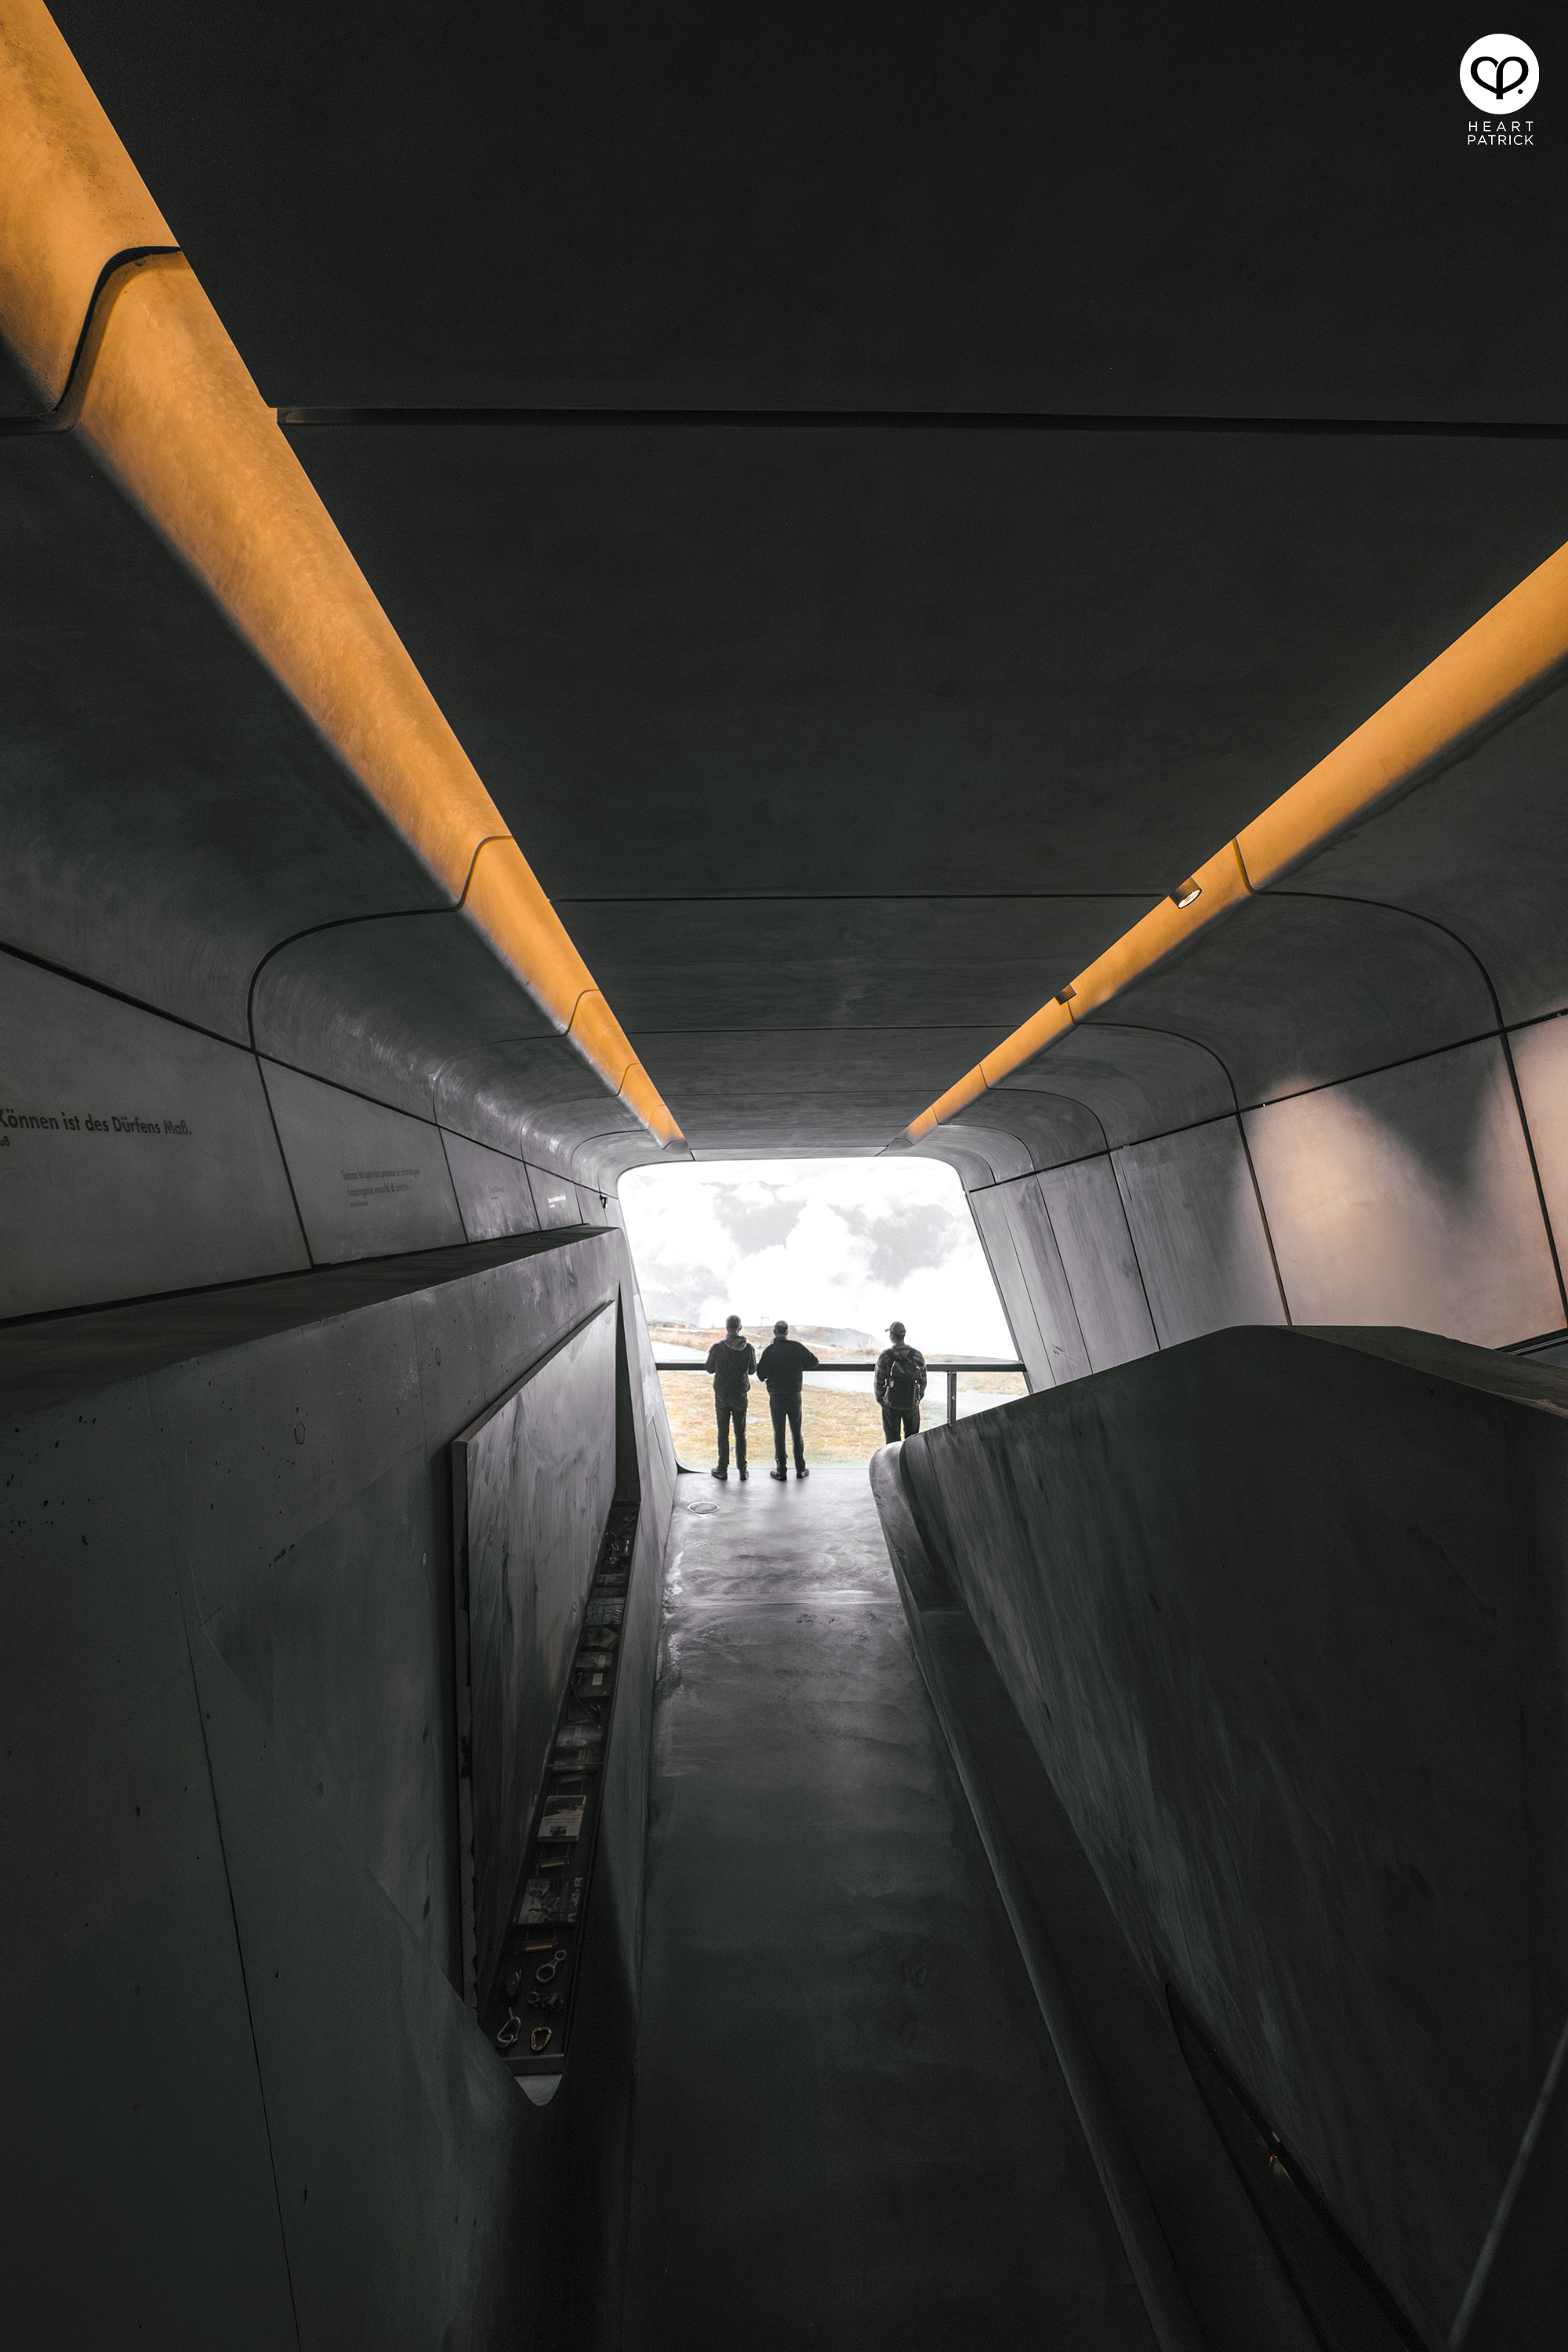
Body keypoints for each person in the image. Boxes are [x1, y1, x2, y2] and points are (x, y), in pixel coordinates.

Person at [753, 1319, 819, 1479]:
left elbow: (761, 1375)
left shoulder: (770, 1351)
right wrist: (798, 1366)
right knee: (796, 1432)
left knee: (779, 1432)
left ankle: (781, 1469)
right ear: (787, 1332)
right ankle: (800, 1468)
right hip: (794, 1395)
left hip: (776, 1396)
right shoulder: (797, 1348)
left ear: (774, 1332)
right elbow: (814, 1362)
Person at [703, 1314, 756, 1480]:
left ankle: (722, 1468)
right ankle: (742, 1470)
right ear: (739, 1328)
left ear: (727, 1328)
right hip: (740, 1395)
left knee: (723, 1433)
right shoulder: (748, 1349)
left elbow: (710, 1369)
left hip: (722, 1396)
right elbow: (752, 1370)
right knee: (741, 1433)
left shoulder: (718, 1348)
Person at [876, 1320, 927, 1443]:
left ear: (892, 1336)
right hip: (911, 1403)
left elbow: (879, 1382)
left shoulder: (886, 1356)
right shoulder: (917, 1355)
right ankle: (909, 1461)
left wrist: (882, 1400)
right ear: (903, 1336)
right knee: (912, 1441)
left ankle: (894, 1461)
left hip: (891, 1405)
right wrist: (917, 1399)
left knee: (892, 1441)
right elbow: (923, 1382)